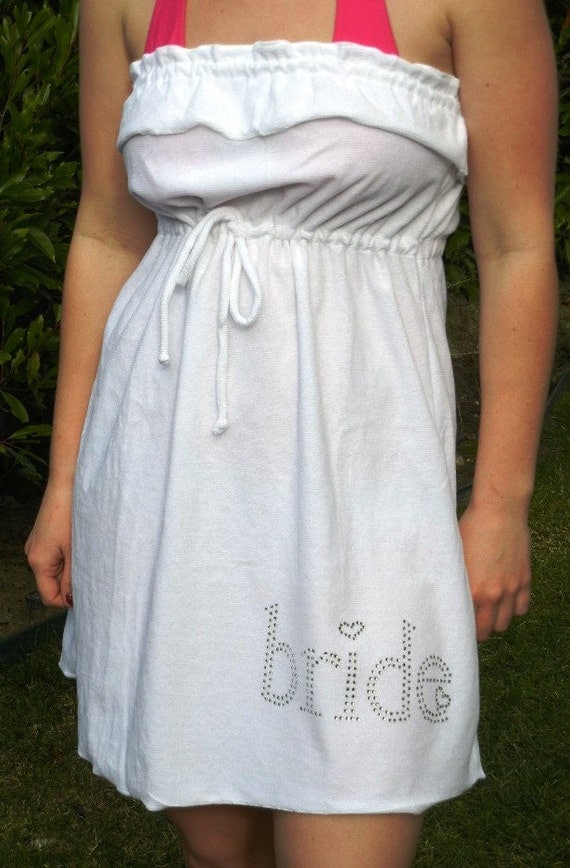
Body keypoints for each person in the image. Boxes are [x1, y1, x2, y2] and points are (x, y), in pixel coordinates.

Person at [25, 0, 558, 865]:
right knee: (219, 848)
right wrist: (64, 485)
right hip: (170, 475)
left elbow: (517, 246)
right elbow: (107, 232)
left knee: (355, 813)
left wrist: (500, 503)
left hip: (364, 484)